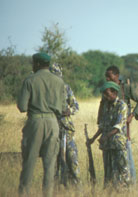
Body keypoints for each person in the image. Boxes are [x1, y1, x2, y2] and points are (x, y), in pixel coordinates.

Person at [17, 53, 66, 197]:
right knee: (50, 164)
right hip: (53, 123)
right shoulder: (59, 81)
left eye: (33, 63)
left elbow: (22, 107)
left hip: (35, 122)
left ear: (37, 64)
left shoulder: (30, 80)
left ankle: (24, 193)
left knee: (29, 161)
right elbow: (63, 108)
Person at [97, 65, 138, 184]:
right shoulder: (107, 89)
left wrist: (132, 115)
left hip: (122, 129)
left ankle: (131, 185)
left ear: (117, 76)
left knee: (127, 157)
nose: (107, 79)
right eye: (106, 77)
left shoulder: (125, 88)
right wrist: (100, 122)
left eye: (109, 76)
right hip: (109, 129)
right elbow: (102, 105)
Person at [89, 81, 130, 190]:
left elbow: (118, 126)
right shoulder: (106, 106)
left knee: (122, 171)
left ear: (114, 92)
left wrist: (105, 136)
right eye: (104, 95)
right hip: (107, 145)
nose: (106, 97)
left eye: (107, 94)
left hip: (118, 144)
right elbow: (102, 125)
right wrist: (93, 139)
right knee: (108, 172)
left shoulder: (122, 105)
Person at [49, 63, 80, 186]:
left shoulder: (66, 88)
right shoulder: (45, 89)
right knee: (53, 164)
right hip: (51, 130)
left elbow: (76, 106)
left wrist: (69, 111)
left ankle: (77, 190)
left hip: (67, 129)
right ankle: (54, 190)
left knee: (72, 160)